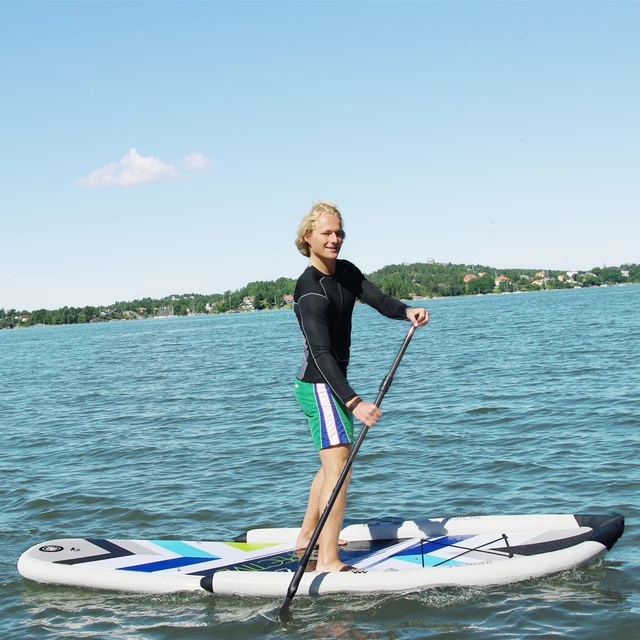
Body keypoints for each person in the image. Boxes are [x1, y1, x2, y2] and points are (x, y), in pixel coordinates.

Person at [293, 201, 429, 572]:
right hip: (320, 386)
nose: (335, 239)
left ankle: (307, 537)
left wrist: (406, 311)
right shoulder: (308, 292)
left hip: (333, 385)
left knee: (330, 465)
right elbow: (320, 354)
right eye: (327, 233)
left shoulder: (346, 272)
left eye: (339, 232)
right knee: (340, 470)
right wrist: (353, 401)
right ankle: (328, 561)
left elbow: (379, 300)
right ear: (308, 237)